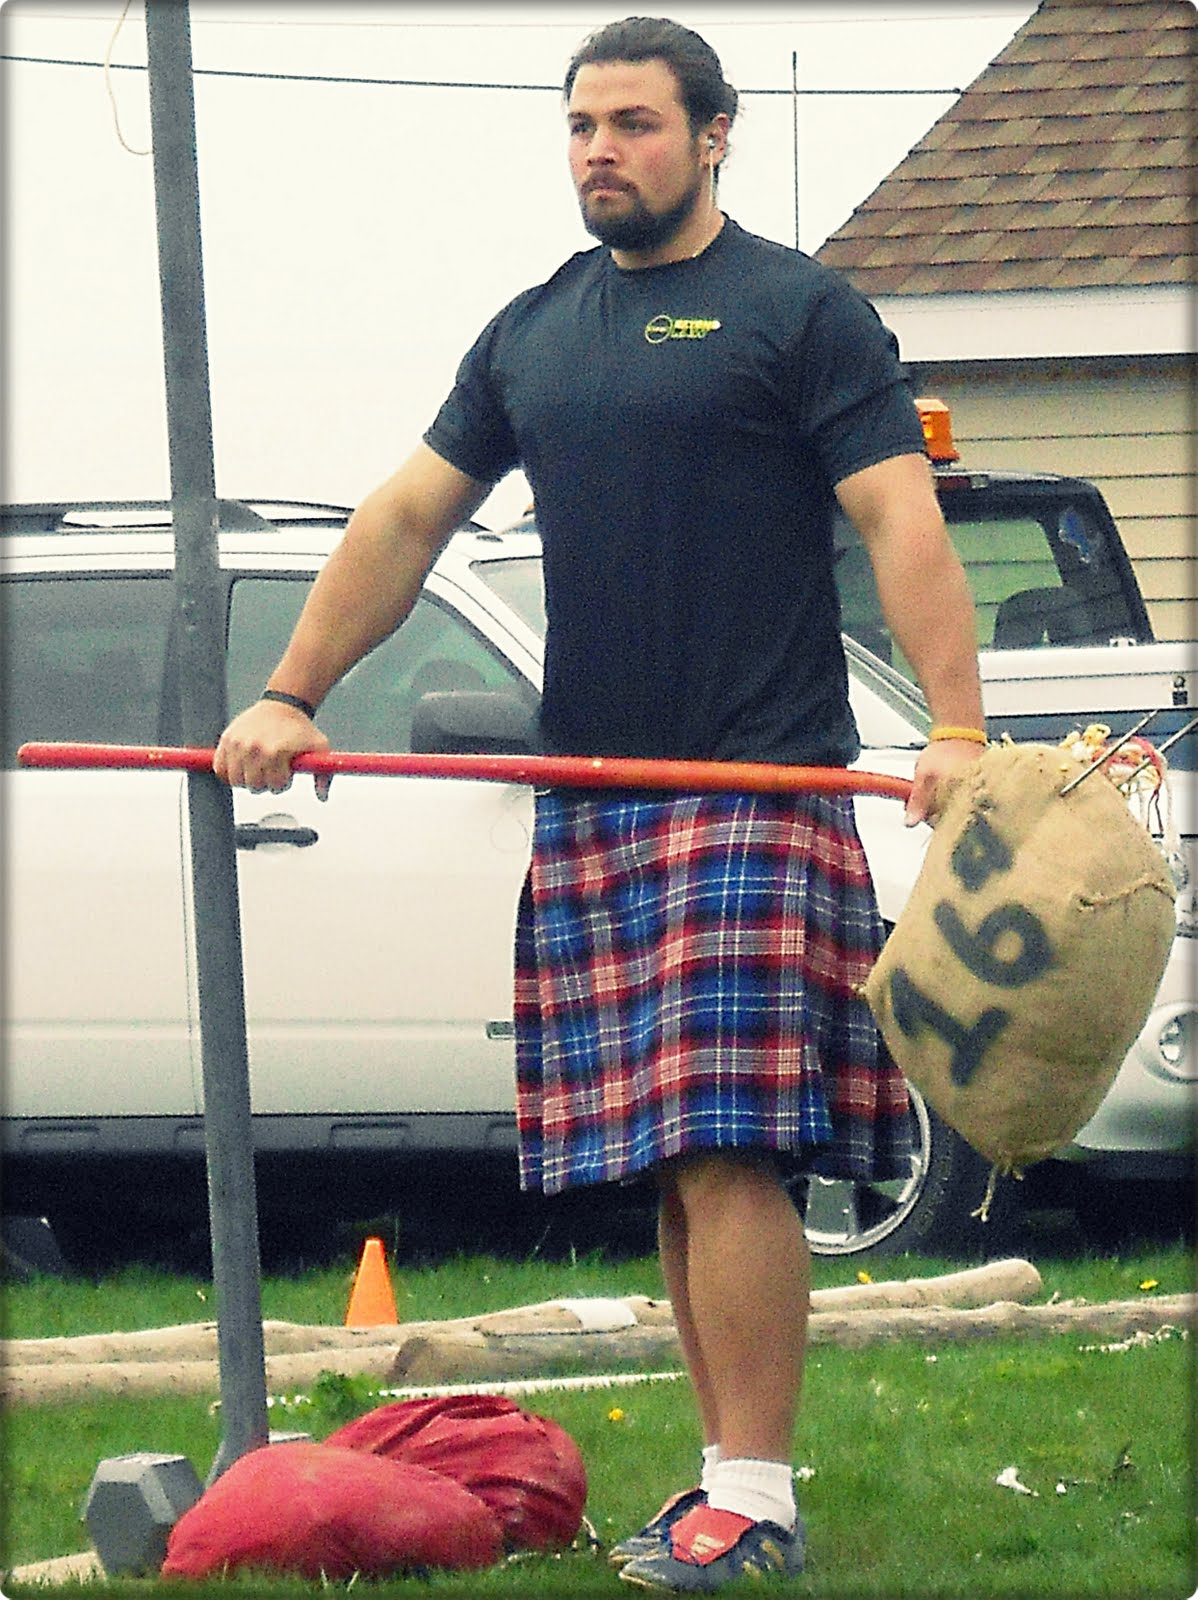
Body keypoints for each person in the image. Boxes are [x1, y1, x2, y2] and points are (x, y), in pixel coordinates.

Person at [215, 16, 987, 1593]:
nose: (598, 152)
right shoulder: (533, 333)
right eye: (579, 126)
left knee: (726, 1148)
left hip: (749, 787)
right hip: (597, 800)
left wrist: (958, 727)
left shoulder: (798, 310)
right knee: (673, 1162)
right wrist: (291, 690)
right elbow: (407, 519)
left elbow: (896, 517)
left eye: (632, 123)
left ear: (711, 135)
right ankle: (722, 1483)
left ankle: (754, 1501)